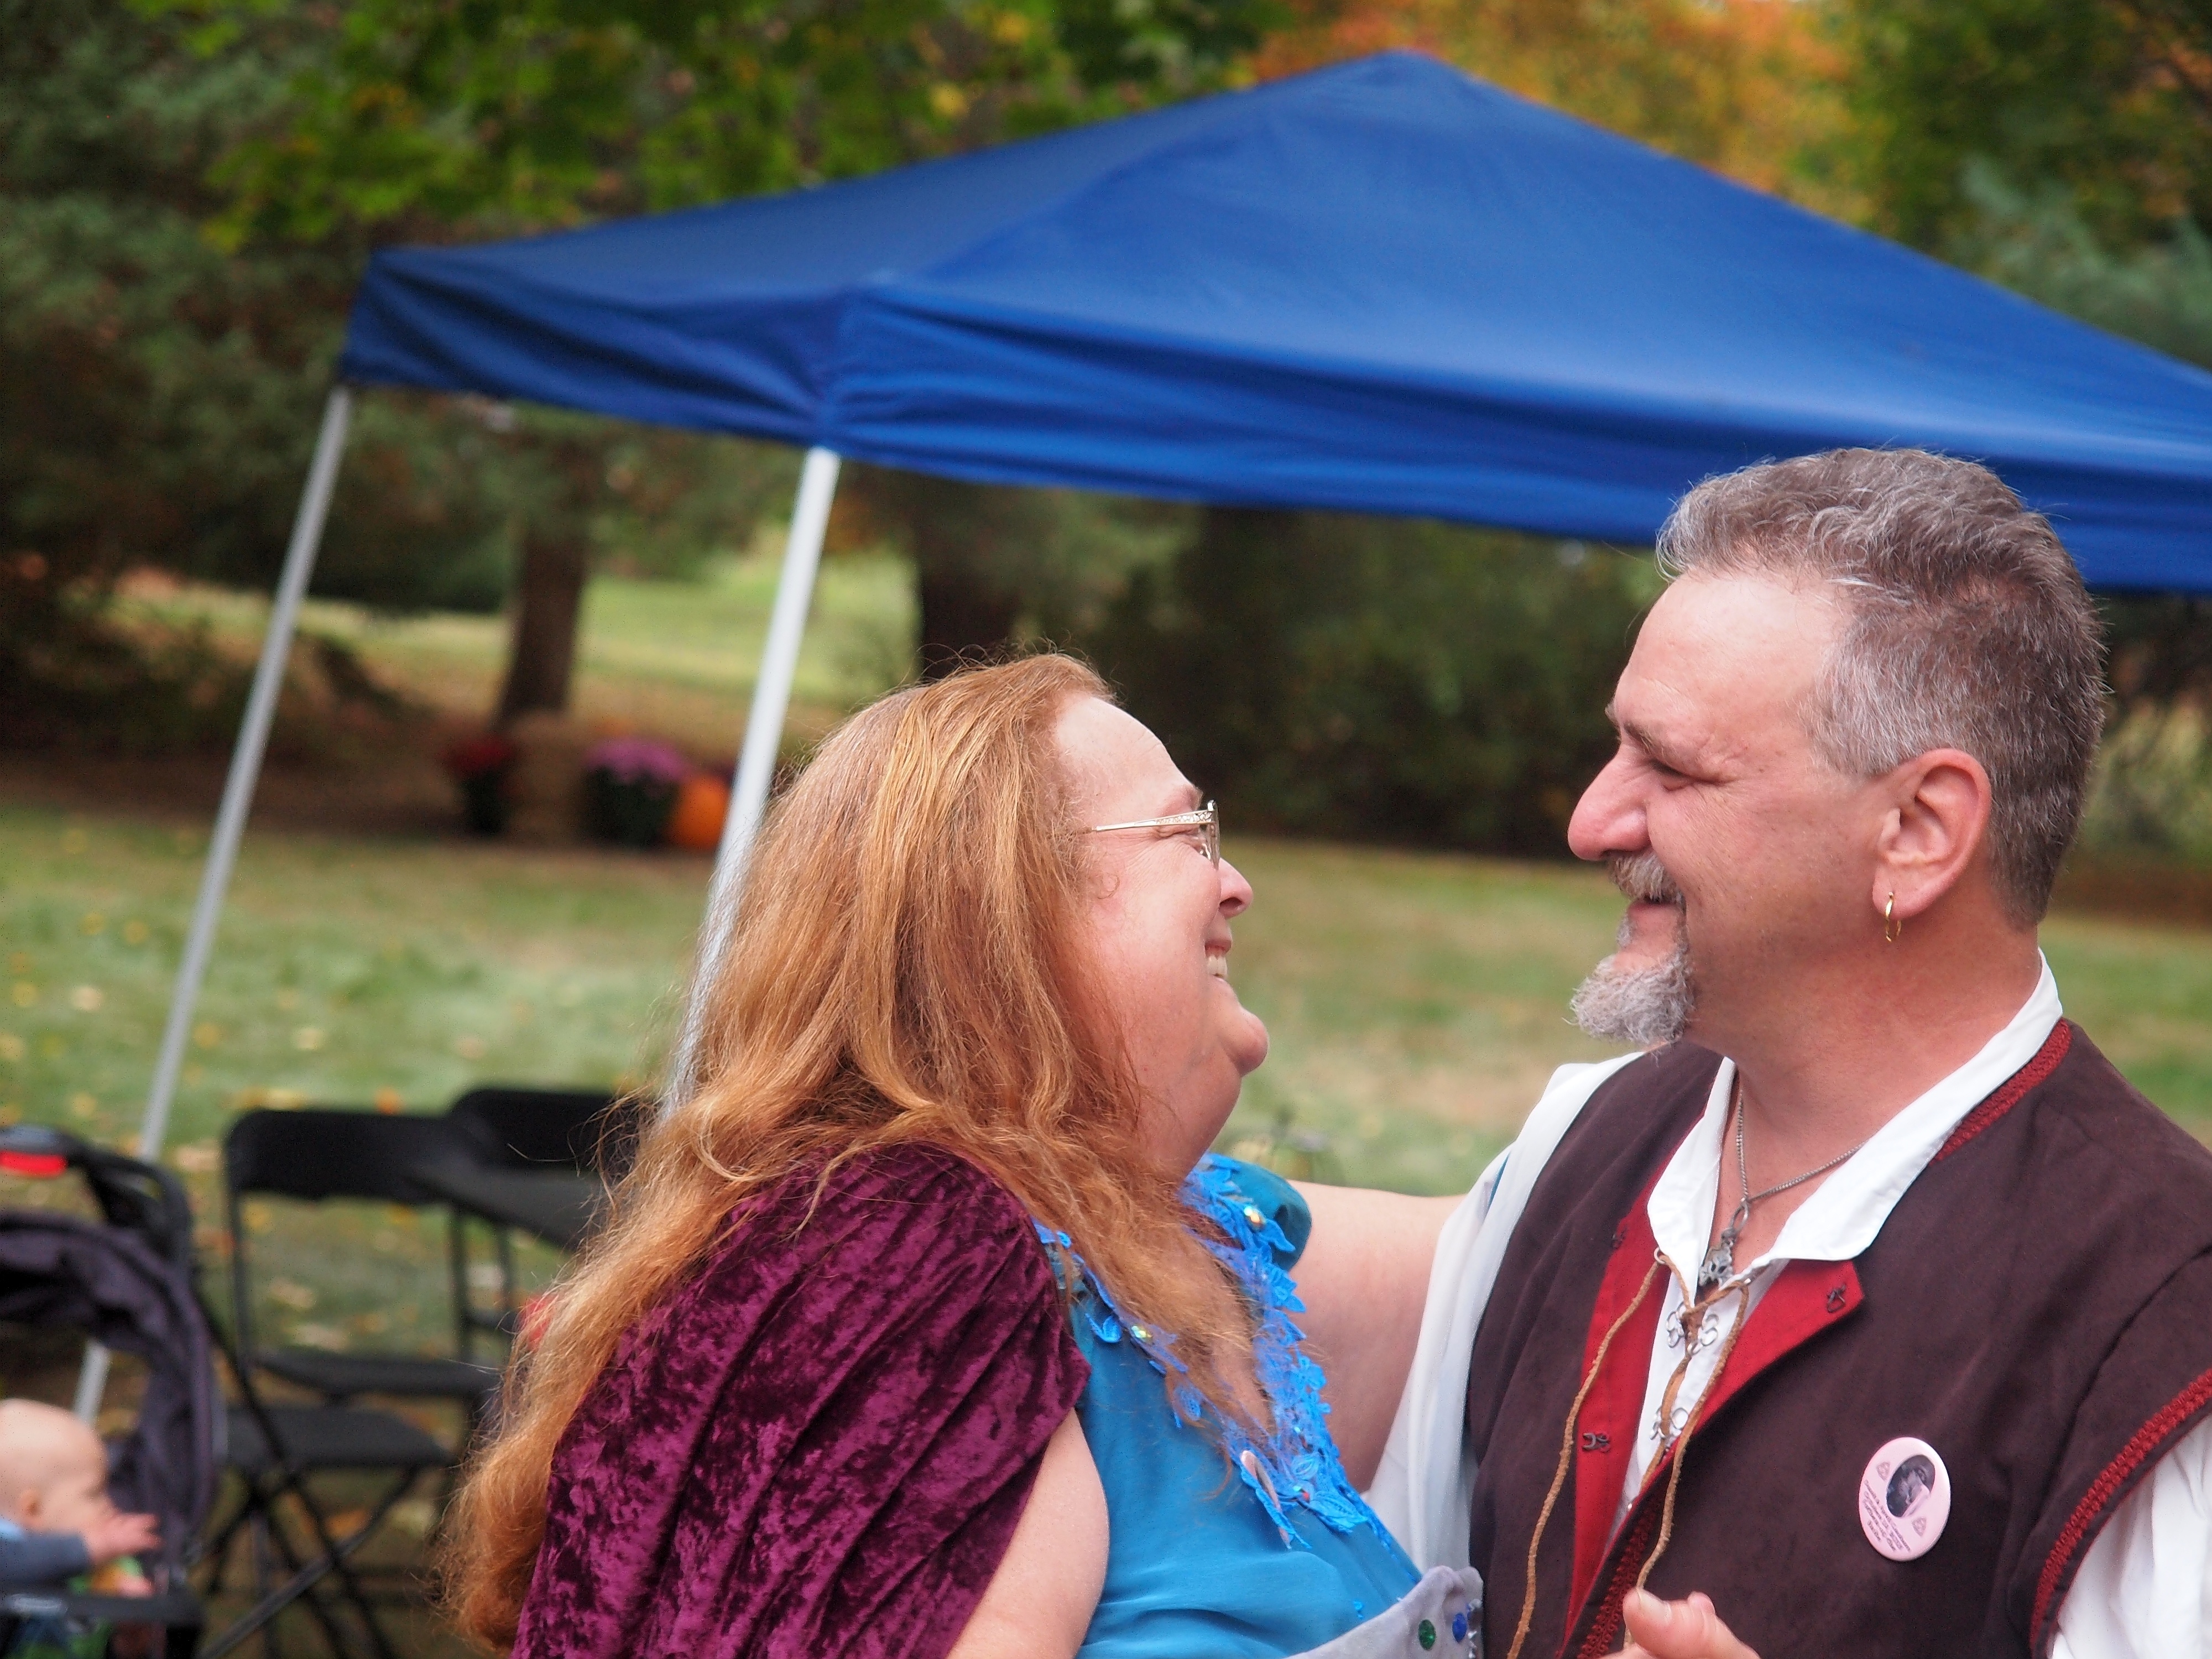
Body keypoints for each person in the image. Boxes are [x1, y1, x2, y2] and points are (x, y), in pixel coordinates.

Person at [1294, 450, 2212, 1659]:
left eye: (1671, 768)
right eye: (1617, 750)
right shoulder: (1582, 1141)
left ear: (1917, 830)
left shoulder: (2159, 1325)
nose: (1590, 822)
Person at [444, 655, 1476, 1659]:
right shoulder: (903, 1264)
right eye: (1190, 833)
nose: (1236, 886)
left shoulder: (1200, 1230)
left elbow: (1524, 1234)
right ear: (1008, 915)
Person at [0, 1399, 158, 1658]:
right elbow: (11, 1563)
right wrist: (94, 1545)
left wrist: (131, 1630)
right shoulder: (9, 1555)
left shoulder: (105, 1572)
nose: (110, 1506)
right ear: (33, 1510)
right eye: (94, 1495)